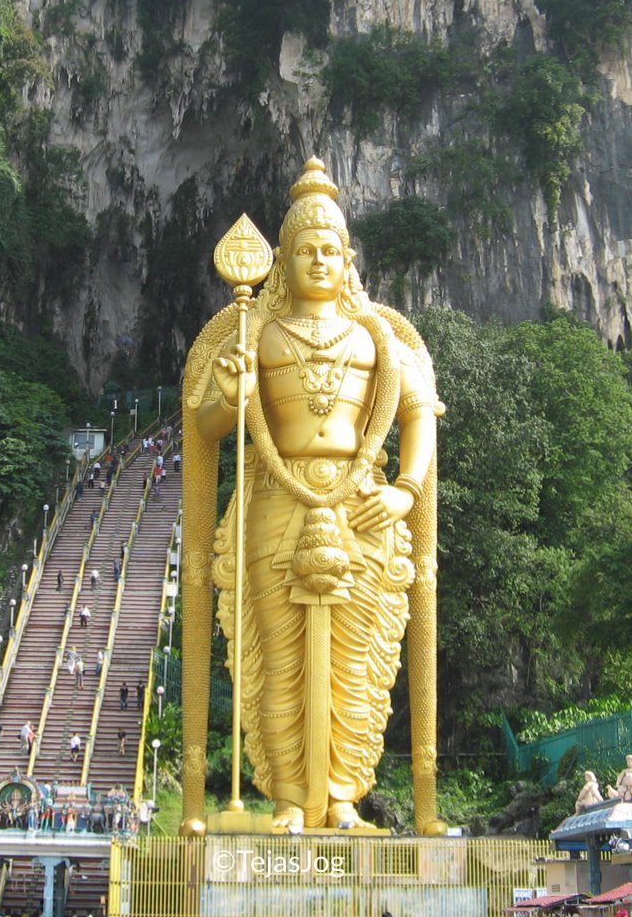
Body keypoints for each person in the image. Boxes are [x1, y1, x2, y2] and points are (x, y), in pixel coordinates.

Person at [182, 159, 443, 835]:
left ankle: (344, 798)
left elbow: (418, 417)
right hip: (275, 496)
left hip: (361, 504)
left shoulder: (377, 337)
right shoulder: (256, 334)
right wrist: (231, 395)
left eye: (331, 250)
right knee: (280, 659)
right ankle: (291, 800)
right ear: (283, 262)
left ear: (347, 258)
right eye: (306, 250)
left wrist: (407, 491)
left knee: (354, 662)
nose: (319, 261)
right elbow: (206, 424)